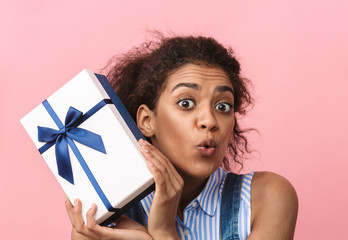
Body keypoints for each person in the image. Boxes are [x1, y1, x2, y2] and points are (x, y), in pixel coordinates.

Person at [65, 34, 298, 240]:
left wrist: (164, 231)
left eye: (223, 106)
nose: (209, 121)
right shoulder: (103, 217)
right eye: (186, 103)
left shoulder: (266, 197)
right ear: (147, 121)